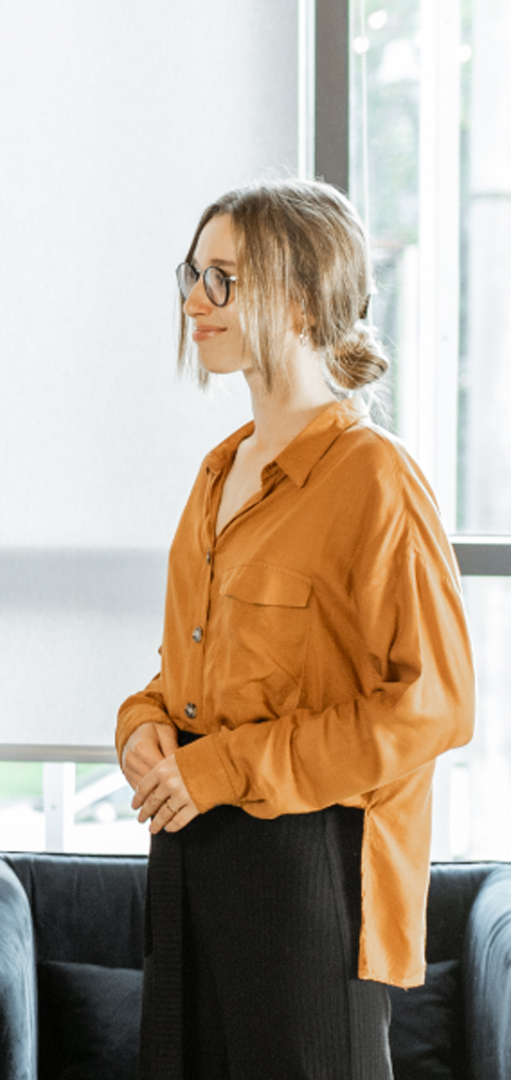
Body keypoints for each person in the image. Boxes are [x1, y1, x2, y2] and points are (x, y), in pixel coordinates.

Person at [118, 178, 475, 1078]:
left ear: (307, 301)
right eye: (193, 275)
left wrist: (227, 766)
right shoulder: (217, 471)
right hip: (190, 848)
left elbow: (434, 708)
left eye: (226, 279)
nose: (196, 301)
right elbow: (193, 671)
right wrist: (142, 723)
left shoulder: (374, 479)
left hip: (309, 863)